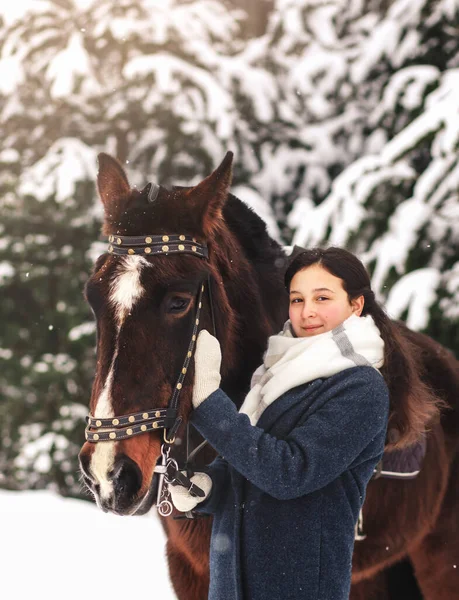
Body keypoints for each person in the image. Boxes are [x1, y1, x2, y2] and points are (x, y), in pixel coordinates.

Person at [170, 246, 391, 600]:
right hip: (231, 586)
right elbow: (247, 466)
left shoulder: (360, 387)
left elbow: (289, 473)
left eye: (322, 298)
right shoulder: (275, 373)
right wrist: (208, 486)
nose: (308, 312)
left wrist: (209, 403)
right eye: (298, 299)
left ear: (356, 305)